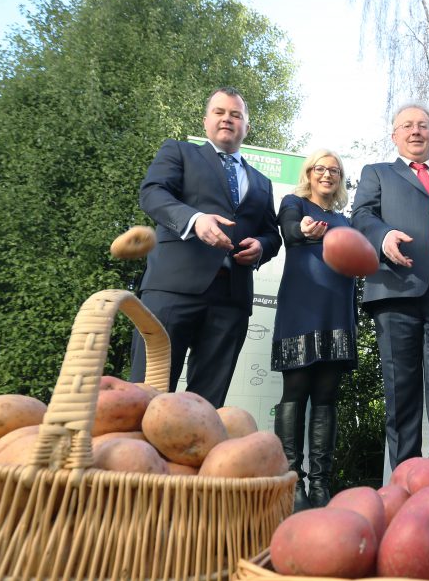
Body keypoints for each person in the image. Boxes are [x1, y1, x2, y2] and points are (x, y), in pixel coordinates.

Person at [130, 87, 282, 408]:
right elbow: (153, 194)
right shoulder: (180, 152)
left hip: (231, 301)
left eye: (236, 114)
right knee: (147, 397)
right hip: (172, 291)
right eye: (220, 112)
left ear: (246, 127)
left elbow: (272, 234)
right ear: (206, 121)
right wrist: (195, 220)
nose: (227, 119)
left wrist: (261, 246)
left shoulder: (261, 183)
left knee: (204, 409)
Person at [351, 103, 429, 470]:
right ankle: (406, 478)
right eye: (407, 126)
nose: (415, 131)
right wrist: (383, 235)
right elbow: (360, 215)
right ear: (395, 136)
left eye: (423, 125)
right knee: (400, 390)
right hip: (395, 287)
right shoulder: (376, 174)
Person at [271, 149, 356, 509]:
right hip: (301, 309)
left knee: (326, 396)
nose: (327, 175)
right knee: (296, 391)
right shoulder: (294, 204)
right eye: (321, 169)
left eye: (334, 170)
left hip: (337, 312)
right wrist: (301, 230)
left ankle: (321, 485)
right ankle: (293, 484)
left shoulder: (345, 220)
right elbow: (289, 230)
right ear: (309, 173)